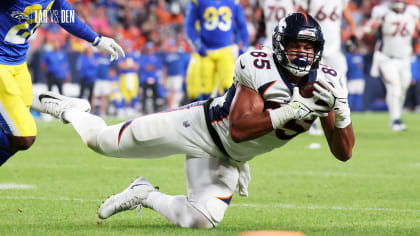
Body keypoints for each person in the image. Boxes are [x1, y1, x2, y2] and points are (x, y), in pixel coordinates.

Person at [32, 13, 355, 228]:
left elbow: (343, 153)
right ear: (279, 47)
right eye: (295, 45)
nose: (302, 54)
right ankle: (71, 109)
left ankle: (144, 193)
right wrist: (290, 111)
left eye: (309, 47)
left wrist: (341, 116)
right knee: (100, 142)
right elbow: (240, 127)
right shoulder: (258, 63)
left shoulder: (327, 82)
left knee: (200, 220)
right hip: (199, 127)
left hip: (230, 156)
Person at [0, 0, 124, 167]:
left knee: (12, 135)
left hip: (18, 63)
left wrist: (96, 39)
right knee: (23, 136)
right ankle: (47, 101)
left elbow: (64, 15)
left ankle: (44, 100)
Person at [297, 0, 358, 135]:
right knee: (312, 84)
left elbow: (350, 20)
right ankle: (312, 121)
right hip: (314, 48)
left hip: (334, 50)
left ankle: (341, 120)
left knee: (341, 84)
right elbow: (298, 17)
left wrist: (353, 37)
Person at [364, 0, 420, 131]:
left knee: (403, 88)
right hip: (386, 57)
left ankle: (397, 116)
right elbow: (368, 32)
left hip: (405, 57)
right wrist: (372, 27)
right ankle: (395, 119)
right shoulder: (381, 11)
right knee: (394, 87)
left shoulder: (413, 12)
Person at [184, 0, 249, 100]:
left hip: (225, 50)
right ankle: (205, 114)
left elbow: (242, 26)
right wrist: (198, 45)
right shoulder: (199, 2)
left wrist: (244, 45)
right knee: (205, 89)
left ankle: (228, 114)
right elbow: (189, 26)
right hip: (206, 51)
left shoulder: (233, 2)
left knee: (229, 86)